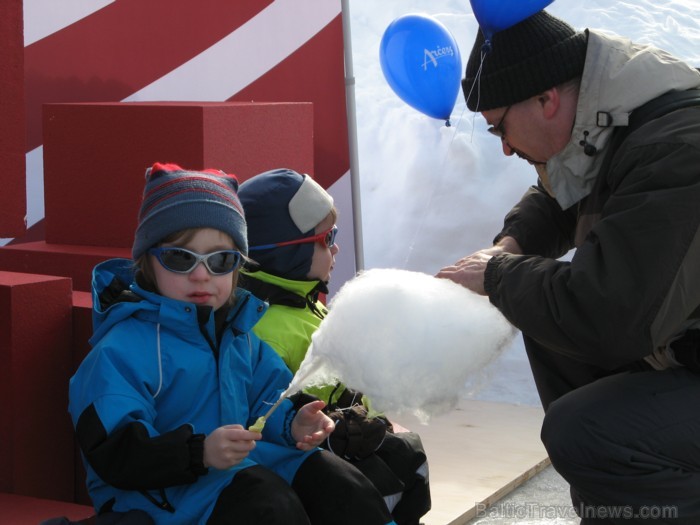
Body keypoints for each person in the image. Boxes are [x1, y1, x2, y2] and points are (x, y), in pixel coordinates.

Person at [437, 9, 700, 524]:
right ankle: (618, 504)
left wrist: (497, 277)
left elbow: (610, 317)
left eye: (500, 129)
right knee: (549, 324)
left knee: (585, 428)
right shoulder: (622, 113)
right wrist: (510, 246)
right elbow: (562, 187)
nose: (507, 147)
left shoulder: (677, 148)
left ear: (547, 99)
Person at [68, 162, 397, 525]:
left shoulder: (239, 335)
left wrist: (293, 421)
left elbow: (268, 397)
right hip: (156, 495)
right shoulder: (121, 351)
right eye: (180, 257)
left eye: (221, 259)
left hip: (233, 472)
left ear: (238, 265)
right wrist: (199, 453)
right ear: (148, 262)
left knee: (340, 483)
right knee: (267, 503)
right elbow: (113, 450)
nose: (201, 274)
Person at [237, 168, 431, 525]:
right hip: (320, 466)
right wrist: (339, 431)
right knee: (382, 487)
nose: (336, 247)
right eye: (327, 239)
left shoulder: (305, 301)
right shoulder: (265, 330)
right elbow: (264, 416)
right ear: (287, 254)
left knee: (411, 458)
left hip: (356, 442)